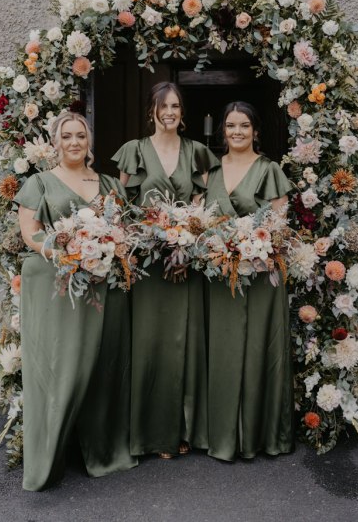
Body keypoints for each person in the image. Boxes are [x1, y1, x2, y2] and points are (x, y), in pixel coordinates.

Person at [15, 111, 137, 491]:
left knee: (102, 364)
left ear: (89, 142)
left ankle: (101, 449)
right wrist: (65, 253)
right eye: (66, 136)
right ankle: (51, 454)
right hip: (57, 284)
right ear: (55, 143)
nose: (73, 142)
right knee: (62, 366)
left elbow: (123, 229)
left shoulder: (106, 183)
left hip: (103, 287)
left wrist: (110, 248)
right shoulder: (40, 183)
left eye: (79, 136)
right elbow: (29, 234)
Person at [112, 81, 220, 458]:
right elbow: (117, 207)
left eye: (176, 105)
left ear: (182, 111)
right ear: (152, 110)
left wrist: (191, 232)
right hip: (149, 267)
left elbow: (210, 205)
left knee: (187, 343)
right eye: (164, 106)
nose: (170, 112)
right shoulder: (133, 151)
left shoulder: (198, 152)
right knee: (150, 343)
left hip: (185, 262)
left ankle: (186, 429)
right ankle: (150, 435)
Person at [204, 101, 294, 461]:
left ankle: (259, 435)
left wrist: (254, 247)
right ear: (223, 131)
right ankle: (222, 435)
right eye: (230, 126)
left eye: (244, 126)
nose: (237, 132)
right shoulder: (210, 170)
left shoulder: (268, 169)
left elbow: (280, 224)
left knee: (258, 351)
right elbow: (201, 217)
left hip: (259, 276)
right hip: (220, 277)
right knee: (222, 353)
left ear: (255, 131)